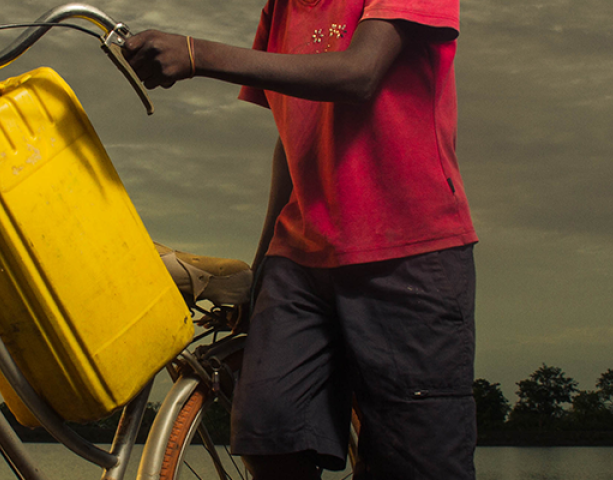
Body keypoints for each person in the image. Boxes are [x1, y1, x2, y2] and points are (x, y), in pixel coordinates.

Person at [122, 0, 475, 478]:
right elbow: (294, 135)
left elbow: (359, 73)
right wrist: (263, 263)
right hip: (300, 257)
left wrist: (196, 53)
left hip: (407, 252)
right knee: (268, 430)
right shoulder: (282, 8)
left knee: (415, 462)